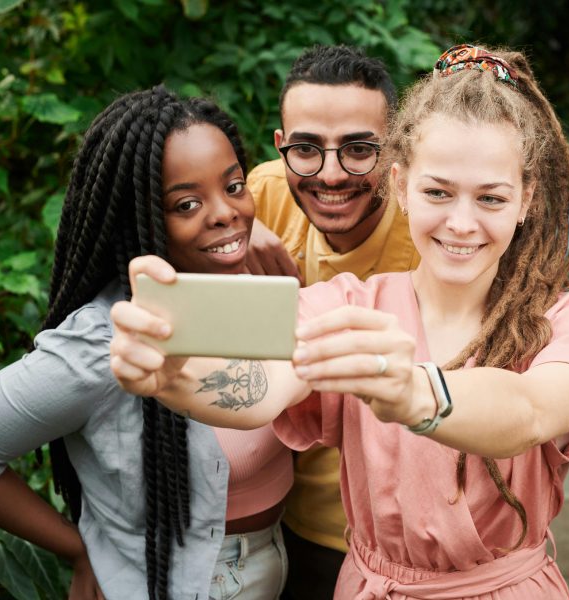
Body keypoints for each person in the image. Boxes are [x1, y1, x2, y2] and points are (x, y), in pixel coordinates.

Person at [110, 44, 569, 598]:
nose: (461, 222)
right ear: (399, 184)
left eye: (491, 199)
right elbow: (263, 387)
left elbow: (532, 411)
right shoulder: (347, 304)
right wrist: (175, 377)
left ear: (526, 198)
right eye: (437, 192)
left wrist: (416, 393)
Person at [0, 87, 292, 600]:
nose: (226, 213)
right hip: (179, 581)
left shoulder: (258, 288)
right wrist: (76, 548)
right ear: (139, 219)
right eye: (186, 203)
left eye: (235, 187)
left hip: (275, 559)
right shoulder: (104, 341)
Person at [244, 45, 420, 599]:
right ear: (281, 147)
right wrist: (230, 236)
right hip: (284, 520)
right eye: (306, 149)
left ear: (395, 151)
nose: (330, 174)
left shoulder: (434, 228)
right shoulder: (262, 196)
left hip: (403, 540)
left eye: (359, 149)